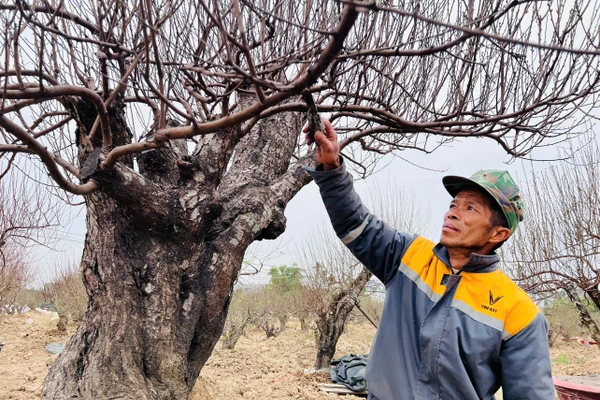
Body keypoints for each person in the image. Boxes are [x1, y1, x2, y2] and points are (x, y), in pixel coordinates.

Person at [305, 120, 554, 400]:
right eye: (453, 205)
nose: (452, 214)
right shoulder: (410, 255)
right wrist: (332, 168)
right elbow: (355, 223)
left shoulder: (518, 312)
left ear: (498, 233)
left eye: (470, 208)